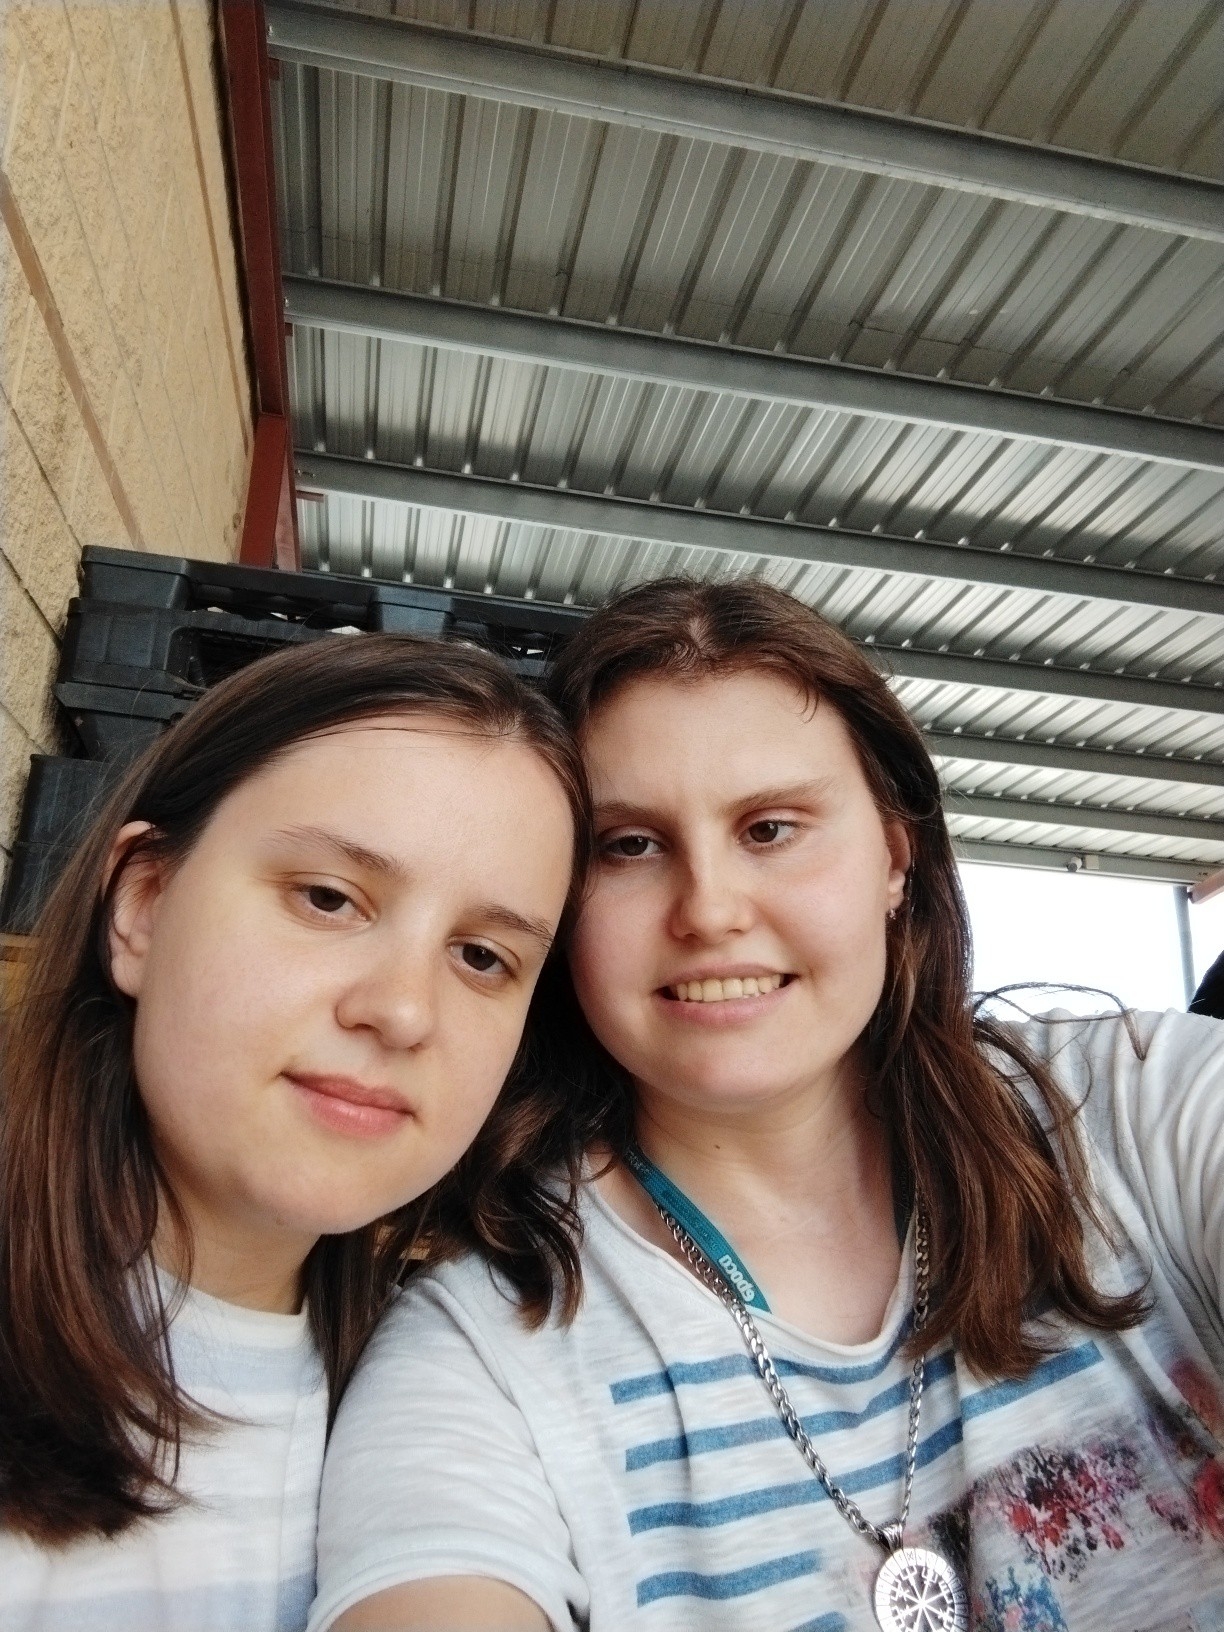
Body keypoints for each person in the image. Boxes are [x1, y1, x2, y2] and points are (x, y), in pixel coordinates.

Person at [310, 580, 1224, 1632]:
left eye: (772, 828)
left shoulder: (1135, 1105)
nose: (709, 910)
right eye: (630, 844)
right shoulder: (479, 1354)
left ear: (894, 856)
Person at [0, 632, 590, 1632]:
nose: (403, 1011)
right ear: (142, 905)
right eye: (328, 898)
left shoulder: (466, 1416)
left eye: (483, 957)